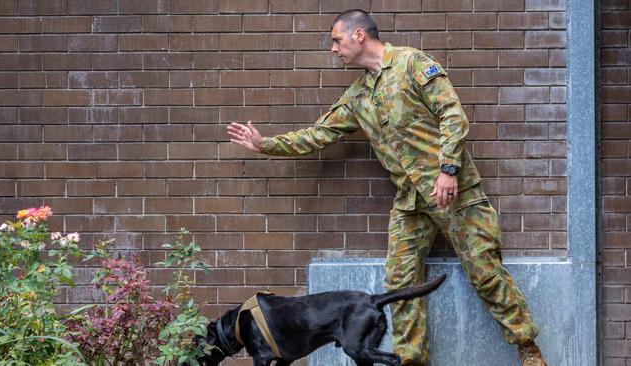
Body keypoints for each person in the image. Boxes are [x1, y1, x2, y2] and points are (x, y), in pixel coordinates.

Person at [227, 9, 546, 366]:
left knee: (485, 273)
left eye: (336, 40)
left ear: (359, 35)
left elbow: (452, 115)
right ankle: (411, 360)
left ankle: (527, 347)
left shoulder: (411, 64)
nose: (333, 48)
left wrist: (448, 168)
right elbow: (318, 134)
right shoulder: (358, 96)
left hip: (454, 194)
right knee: (400, 284)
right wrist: (265, 144)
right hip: (410, 204)